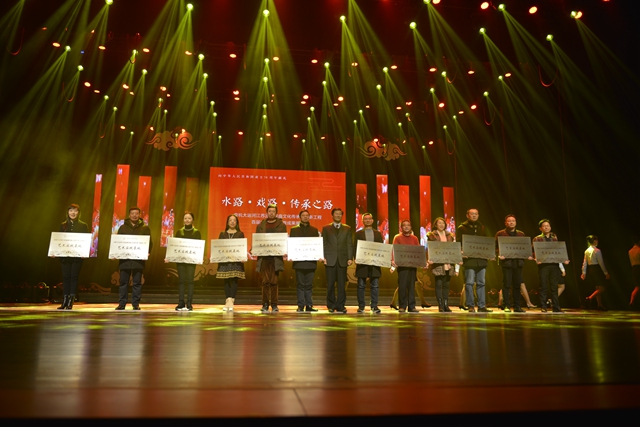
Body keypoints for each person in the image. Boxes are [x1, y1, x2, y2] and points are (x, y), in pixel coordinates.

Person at [115, 207, 152, 310]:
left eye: (136, 213)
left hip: (138, 260)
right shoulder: (122, 228)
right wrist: (115, 253)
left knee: (137, 283)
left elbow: (150, 242)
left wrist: (147, 252)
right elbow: (117, 242)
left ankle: (135, 304)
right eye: (132, 213)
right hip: (125, 260)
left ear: (139, 215)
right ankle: (122, 303)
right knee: (123, 282)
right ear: (129, 215)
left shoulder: (145, 228)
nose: (134, 215)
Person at [54, 204, 89, 310]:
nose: (73, 213)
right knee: (65, 277)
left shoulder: (83, 225)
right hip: (65, 256)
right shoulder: (63, 225)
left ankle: (71, 302)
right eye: (71, 211)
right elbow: (58, 240)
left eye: (75, 211)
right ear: (68, 212)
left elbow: (86, 240)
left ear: (79, 213)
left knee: (74, 277)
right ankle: (64, 301)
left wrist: (85, 253)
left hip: (77, 257)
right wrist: (54, 251)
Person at [457, 209, 492, 313]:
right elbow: (458, 242)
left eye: (476, 214)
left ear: (478, 215)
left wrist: (490, 254)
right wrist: (461, 252)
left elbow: (486, 242)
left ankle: (481, 306)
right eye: (472, 214)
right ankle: (470, 305)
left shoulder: (482, 227)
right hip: (469, 260)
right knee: (469, 283)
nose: (474, 215)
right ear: (467, 215)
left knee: (481, 283)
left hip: (481, 260)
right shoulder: (462, 228)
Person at [495, 214, 532, 313]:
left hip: (518, 262)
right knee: (506, 284)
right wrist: (499, 254)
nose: (511, 222)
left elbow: (524, 247)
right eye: (509, 221)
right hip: (506, 262)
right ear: (505, 223)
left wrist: (527, 255)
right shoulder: (500, 234)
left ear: (516, 223)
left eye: (513, 221)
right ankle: (506, 305)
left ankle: (517, 306)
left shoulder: (521, 234)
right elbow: (495, 247)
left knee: (517, 285)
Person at [533, 219, 569, 313]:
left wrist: (564, 260)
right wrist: (536, 259)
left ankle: (556, 307)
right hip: (544, 265)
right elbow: (534, 252)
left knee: (554, 286)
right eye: (544, 226)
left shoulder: (554, 238)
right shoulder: (537, 239)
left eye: (548, 225)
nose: (546, 227)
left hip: (554, 265)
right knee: (543, 286)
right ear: (540, 228)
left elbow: (558, 252)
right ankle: (543, 306)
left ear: (550, 227)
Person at [255, 204, 287, 313]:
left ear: (276, 213)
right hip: (264, 257)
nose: (271, 213)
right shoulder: (261, 225)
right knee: (265, 282)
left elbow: (283, 240)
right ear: (267, 212)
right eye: (270, 211)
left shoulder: (281, 225)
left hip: (275, 258)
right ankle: (265, 304)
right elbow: (257, 240)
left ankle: (274, 305)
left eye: (273, 211)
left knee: (274, 282)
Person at [322, 207, 354, 313]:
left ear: (342, 215)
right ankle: (331, 305)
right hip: (329, 259)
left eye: (340, 214)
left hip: (342, 259)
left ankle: (340, 305)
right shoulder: (326, 228)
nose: (338, 215)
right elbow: (323, 244)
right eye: (336, 214)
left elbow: (349, 244)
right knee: (330, 284)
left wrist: (350, 258)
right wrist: (323, 257)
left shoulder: (347, 228)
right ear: (332, 215)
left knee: (341, 284)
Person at [169, 212, 202, 311]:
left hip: (191, 260)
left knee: (190, 281)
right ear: (183, 220)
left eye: (189, 218)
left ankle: (189, 303)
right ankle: (181, 302)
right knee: (181, 281)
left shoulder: (196, 232)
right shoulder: (179, 232)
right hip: (180, 260)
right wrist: (170, 256)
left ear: (193, 220)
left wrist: (199, 257)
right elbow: (175, 246)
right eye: (185, 218)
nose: (187, 220)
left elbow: (199, 247)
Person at [427, 217, 460, 312]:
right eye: (439, 223)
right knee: (439, 284)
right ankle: (440, 305)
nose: (441, 225)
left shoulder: (450, 235)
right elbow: (430, 248)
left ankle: (446, 304)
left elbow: (454, 248)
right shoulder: (431, 235)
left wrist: (458, 260)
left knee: (447, 284)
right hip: (438, 263)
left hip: (448, 262)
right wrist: (429, 259)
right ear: (435, 225)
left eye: (443, 223)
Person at [290, 210, 320, 313]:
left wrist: (319, 255)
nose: (305, 217)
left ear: (309, 217)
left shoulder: (314, 230)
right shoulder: (294, 230)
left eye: (307, 215)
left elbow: (317, 245)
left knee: (309, 285)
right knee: (300, 285)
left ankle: (309, 305)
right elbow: (292, 245)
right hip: (299, 262)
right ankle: (300, 305)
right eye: (303, 215)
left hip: (311, 262)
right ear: (300, 217)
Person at [354, 213, 383, 314]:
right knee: (361, 285)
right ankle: (361, 306)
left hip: (375, 263)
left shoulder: (378, 234)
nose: (367, 220)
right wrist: (355, 258)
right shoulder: (358, 233)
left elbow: (381, 248)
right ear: (362, 221)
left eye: (369, 219)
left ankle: (374, 306)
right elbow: (355, 247)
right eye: (365, 219)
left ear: (372, 220)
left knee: (375, 285)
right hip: (362, 263)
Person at [392, 220, 422, 313]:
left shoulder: (415, 238)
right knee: (402, 286)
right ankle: (402, 306)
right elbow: (394, 250)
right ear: (401, 227)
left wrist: (421, 262)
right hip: (402, 266)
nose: (406, 227)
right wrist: (393, 261)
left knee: (412, 286)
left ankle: (412, 306)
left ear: (411, 227)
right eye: (404, 225)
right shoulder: (397, 237)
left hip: (412, 265)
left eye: (408, 225)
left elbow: (418, 251)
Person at [217, 214, 245, 312]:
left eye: (234, 220)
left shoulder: (240, 234)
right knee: (226, 280)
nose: (232, 222)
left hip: (236, 262)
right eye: (230, 220)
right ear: (227, 222)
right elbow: (219, 247)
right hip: (225, 261)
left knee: (234, 280)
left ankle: (231, 301)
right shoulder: (222, 234)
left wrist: (242, 256)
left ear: (237, 223)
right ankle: (227, 300)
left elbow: (242, 247)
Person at [581, 235, 609, 311]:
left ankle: (599, 304)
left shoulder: (586, 251)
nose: (597, 241)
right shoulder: (597, 251)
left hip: (591, 269)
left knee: (597, 288)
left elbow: (584, 263)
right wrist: (606, 273)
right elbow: (601, 262)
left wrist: (584, 272)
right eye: (596, 240)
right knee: (602, 288)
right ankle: (589, 298)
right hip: (597, 269)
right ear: (594, 241)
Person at [629, 238, 640, 309]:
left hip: (634, 268)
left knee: (637, 286)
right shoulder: (639, 250)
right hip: (639, 267)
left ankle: (631, 301)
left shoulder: (630, 251)